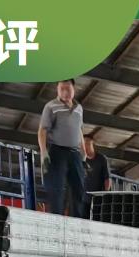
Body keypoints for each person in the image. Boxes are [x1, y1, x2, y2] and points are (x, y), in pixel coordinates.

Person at [38, 80, 87, 217]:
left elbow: (79, 130)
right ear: (57, 90)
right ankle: (56, 220)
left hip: (75, 153)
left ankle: (77, 220)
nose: (65, 92)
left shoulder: (79, 108)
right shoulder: (51, 106)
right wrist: (43, 152)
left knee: (78, 189)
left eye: (68, 89)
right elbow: (42, 130)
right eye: (62, 89)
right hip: (57, 152)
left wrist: (83, 152)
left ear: (74, 90)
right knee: (57, 189)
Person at [80, 135, 112, 219]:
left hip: (98, 198)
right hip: (84, 198)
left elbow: (107, 178)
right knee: (83, 219)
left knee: (97, 219)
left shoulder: (102, 159)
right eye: (84, 144)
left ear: (92, 143)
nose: (86, 146)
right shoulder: (81, 160)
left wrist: (105, 194)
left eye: (87, 143)